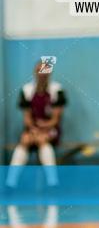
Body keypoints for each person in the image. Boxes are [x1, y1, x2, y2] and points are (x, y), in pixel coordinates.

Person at [6, 61, 67, 189]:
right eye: (39, 72)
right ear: (35, 73)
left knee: (43, 140)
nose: (42, 75)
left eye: (45, 72)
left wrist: (44, 126)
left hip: (51, 130)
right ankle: (10, 183)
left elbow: (56, 119)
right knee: (25, 139)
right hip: (33, 129)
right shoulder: (27, 90)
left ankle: (52, 183)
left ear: (49, 74)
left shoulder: (57, 90)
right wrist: (34, 129)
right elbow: (27, 118)